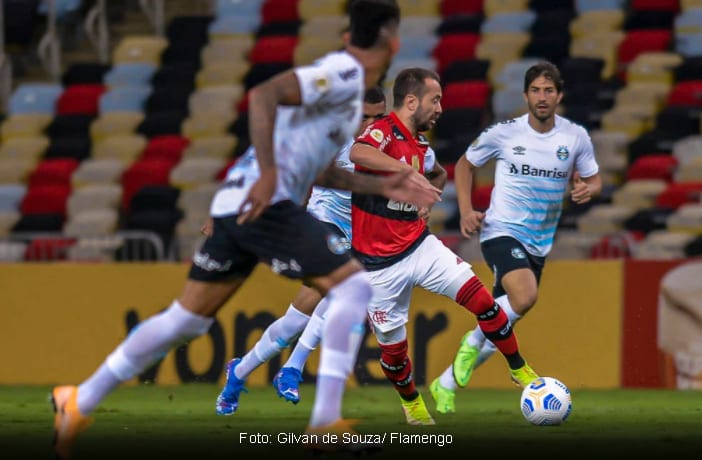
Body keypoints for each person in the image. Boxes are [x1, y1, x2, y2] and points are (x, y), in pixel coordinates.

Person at [49, 1, 441, 457]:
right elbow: (262, 96)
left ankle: (77, 400)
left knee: (186, 320)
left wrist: (390, 182)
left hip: (237, 203)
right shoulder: (343, 73)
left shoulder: (348, 102)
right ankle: (324, 425)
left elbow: (321, 173)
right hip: (264, 200)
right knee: (354, 286)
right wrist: (272, 174)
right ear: (391, 39)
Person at [348, 67, 539, 426]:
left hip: (419, 245)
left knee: (483, 300)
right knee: (393, 354)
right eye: (434, 100)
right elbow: (359, 152)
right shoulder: (384, 131)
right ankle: (413, 405)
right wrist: (406, 175)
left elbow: (437, 174)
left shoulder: (420, 145)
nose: (440, 108)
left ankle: (520, 369)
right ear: (410, 101)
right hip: (378, 266)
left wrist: (426, 197)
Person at [429, 60, 602, 415]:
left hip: (540, 243)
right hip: (501, 230)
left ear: (560, 95)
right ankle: (470, 342)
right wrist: (465, 210)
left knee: (500, 325)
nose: (542, 97)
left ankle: (444, 383)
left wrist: (589, 189)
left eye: (548, 90)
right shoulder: (505, 132)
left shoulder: (575, 137)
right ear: (525, 96)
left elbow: (593, 178)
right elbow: (464, 164)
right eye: (536, 90)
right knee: (524, 296)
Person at [213, 86, 387, 412]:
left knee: (294, 321)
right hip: (324, 221)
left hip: (360, 233)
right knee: (345, 286)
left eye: (379, 116)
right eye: (365, 116)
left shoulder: (387, 142)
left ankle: (239, 372)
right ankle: (292, 368)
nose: (372, 123)